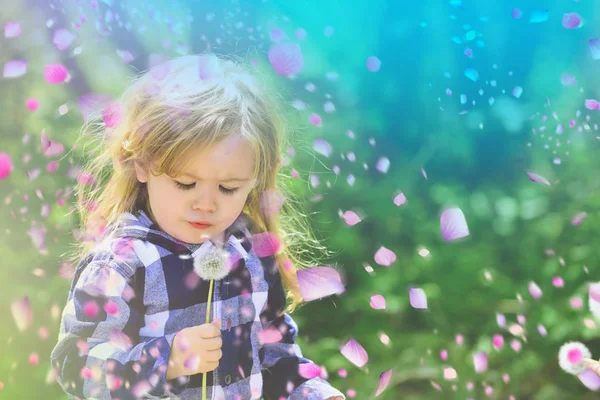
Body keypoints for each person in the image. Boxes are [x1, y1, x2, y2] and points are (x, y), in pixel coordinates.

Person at [50, 53, 345, 400]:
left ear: (257, 178)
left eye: (228, 188)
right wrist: (167, 359)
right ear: (142, 164)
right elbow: (75, 367)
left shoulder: (250, 254)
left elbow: (275, 357)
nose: (206, 204)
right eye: (186, 184)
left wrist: (314, 394)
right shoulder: (122, 265)